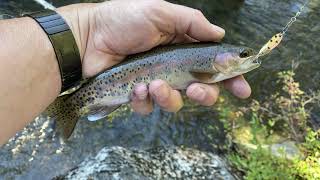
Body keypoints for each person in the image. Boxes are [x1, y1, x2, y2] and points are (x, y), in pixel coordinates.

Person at [0, 0, 251, 145]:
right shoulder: (209, 68)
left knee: (150, 93)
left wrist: (86, 30)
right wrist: (86, 31)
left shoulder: (212, 65)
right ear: (222, 58)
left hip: (109, 72)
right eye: (243, 55)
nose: (247, 58)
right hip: (114, 74)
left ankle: (68, 106)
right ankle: (69, 106)